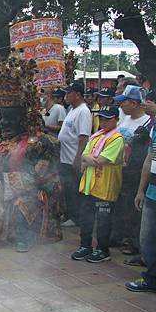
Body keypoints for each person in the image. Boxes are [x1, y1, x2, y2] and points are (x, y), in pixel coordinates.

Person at [0, 53, 62, 252]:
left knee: (22, 201)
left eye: (10, 119)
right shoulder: (4, 141)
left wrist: (14, 182)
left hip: (36, 191)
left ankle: (24, 237)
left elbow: (44, 176)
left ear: (23, 118)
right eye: (2, 119)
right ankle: (1, 225)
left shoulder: (42, 142)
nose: (4, 123)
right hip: (9, 187)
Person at [71, 105, 124, 263]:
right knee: (86, 217)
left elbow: (101, 160)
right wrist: (88, 159)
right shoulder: (96, 136)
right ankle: (85, 246)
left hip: (105, 187)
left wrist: (88, 159)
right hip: (89, 185)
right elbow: (85, 156)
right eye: (101, 118)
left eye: (107, 119)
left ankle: (103, 249)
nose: (103, 122)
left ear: (116, 119)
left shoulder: (117, 139)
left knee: (103, 220)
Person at [109, 85, 154, 257]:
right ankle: (120, 236)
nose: (121, 106)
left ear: (134, 103)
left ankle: (135, 242)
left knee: (134, 208)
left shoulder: (148, 123)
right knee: (121, 205)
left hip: (135, 171)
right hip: (120, 170)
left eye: (124, 102)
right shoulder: (125, 120)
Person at [125, 117, 156, 293]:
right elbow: (149, 161)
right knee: (149, 239)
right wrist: (141, 190)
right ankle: (153, 279)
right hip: (153, 193)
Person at [58, 80, 92, 228]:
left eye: (69, 93)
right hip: (64, 158)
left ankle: (76, 217)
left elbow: (83, 137)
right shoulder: (72, 109)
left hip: (73, 158)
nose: (66, 96)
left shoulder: (83, 111)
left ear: (77, 95)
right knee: (68, 188)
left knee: (74, 189)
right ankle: (69, 214)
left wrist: (78, 159)